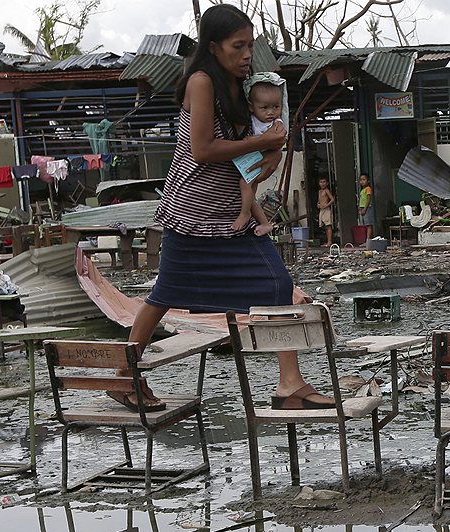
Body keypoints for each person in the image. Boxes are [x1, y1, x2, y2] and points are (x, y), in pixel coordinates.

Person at [112, 4, 333, 412]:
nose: (247, 54)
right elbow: (204, 149)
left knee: (277, 284)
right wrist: (263, 145)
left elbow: (255, 140)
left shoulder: (242, 86)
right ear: (213, 47)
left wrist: (273, 150)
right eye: (238, 46)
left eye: (250, 45)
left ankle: (290, 384)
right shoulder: (201, 82)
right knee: (164, 294)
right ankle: (125, 377)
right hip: (192, 212)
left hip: (233, 212)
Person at [231, 73, 287, 234]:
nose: (270, 112)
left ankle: (244, 213)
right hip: (251, 159)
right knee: (250, 194)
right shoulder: (252, 119)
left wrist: (257, 141)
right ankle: (264, 223)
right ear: (251, 106)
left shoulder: (276, 123)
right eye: (264, 108)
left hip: (260, 160)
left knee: (245, 185)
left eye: (276, 107)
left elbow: (280, 138)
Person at [317, 177, 335, 246]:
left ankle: (329, 242)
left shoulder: (326, 190)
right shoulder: (319, 191)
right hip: (322, 210)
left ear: (327, 183)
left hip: (326, 209)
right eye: (321, 182)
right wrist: (318, 204)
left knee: (328, 225)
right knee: (324, 226)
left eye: (324, 182)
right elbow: (319, 200)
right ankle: (328, 241)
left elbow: (332, 199)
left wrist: (326, 205)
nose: (322, 183)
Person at [357, 173, 374, 240]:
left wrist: (365, 209)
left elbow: (368, 199)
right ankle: (366, 239)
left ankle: (368, 239)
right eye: (361, 180)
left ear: (368, 181)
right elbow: (361, 200)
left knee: (369, 224)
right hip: (362, 209)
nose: (362, 181)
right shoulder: (362, 190)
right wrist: (360, 209)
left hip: (367, 208)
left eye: (364, 179)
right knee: (365, 225)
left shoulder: (368, 189)